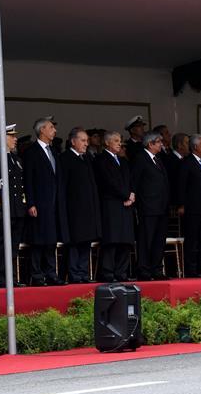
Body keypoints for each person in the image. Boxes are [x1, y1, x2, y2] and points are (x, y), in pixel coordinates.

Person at [57, 128, 101, 283]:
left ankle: (83, 273)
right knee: (75, 243)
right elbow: (63, 187)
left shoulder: (87, 158)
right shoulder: (65, 158)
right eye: (83, 140)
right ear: (73, 141)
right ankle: (74, 274)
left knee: (86, 242)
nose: (86, 144)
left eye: (87, 141)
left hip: (88, 209)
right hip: (74, 210)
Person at [23, 117, 63, 286]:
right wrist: (31, 203)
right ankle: (37, 275)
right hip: (39, 204)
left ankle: (51, 274)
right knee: (38, 241)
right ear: (42, 130)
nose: (54, 131)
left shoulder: (53, 151)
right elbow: (28, 180)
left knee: (51, 241)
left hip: (53, 203)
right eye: (51, 128)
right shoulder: (31, 152)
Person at [94, 132, 135, 282]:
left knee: (125, 241)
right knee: (112, 241)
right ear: (107, 143)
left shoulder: (123, 161)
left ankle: (121, 272)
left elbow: (130, 181)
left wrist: (131, 195)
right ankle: (108, 273)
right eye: (116, 141)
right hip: (111, 205)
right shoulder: (100, 160)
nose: (120, 143)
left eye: (120, 141)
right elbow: (108, 182)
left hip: (125, 205)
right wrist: (125, 195)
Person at [131, 131, 170, 281]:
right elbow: (135, 181)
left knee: (159, 240)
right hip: (148, 207)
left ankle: (156, 269)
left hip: (161, 207)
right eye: (158, 142)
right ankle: (144, 270)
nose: (161, 144)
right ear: (150, 144)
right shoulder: (141, 158)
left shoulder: (158, 159)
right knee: (146, 239)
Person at [0, 124, 27, 287]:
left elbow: (19, 186)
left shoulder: (15, 159)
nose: (15, 139)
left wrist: (23, 205)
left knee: (13, 246)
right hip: (3, 209)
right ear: (2, 139)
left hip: (15, 209)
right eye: (11, 136)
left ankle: (10, 277)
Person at [177, 134, 201, 278]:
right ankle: (191, 269)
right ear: (196, 146)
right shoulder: (186, 163)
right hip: (192, 209)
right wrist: (181, 204)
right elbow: (181, 185)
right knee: (192, 240)